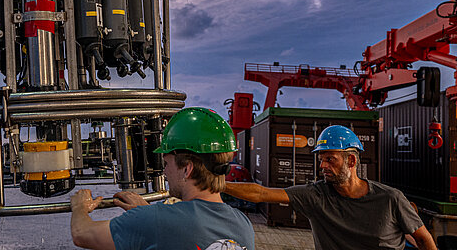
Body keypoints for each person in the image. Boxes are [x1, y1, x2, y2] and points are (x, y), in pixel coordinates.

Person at [224, 125, 436, 250]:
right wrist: (219, 184)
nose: (323, 165)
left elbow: (423, 239)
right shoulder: (315, 196)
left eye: (330, 159)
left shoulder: (390, 199)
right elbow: (261, 193)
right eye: (321, 159)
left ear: (351, 161)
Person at [70, 107, 255, 250]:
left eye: (167, 164)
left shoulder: (156, 220)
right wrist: (148, 213)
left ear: (187, 169)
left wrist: (80, 208)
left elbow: (82, 234)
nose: (165, 173)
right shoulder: (243, 224)